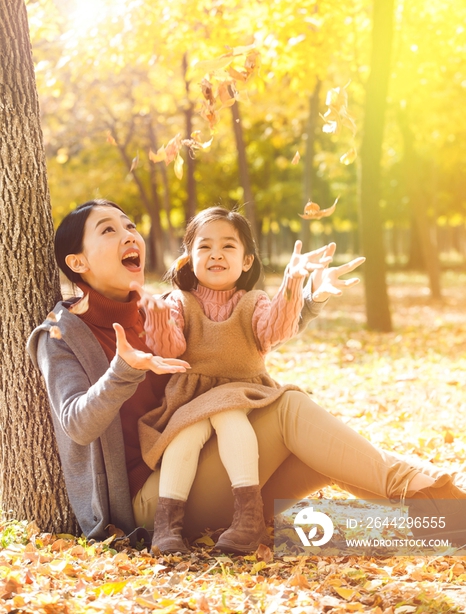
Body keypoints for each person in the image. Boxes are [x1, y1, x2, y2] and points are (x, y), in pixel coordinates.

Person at [27, 200, 466, 550]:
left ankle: (441, 519)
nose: (128, 235)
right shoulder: (61, 336)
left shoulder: (160, 308)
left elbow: (239, 336)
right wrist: (124, 369)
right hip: (153, 502)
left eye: (129, 226)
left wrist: (306, 296)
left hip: (213, 461)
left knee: (323, 452)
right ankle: (441, 497)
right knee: (290, 407)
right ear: (78, 262)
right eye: (108, 230)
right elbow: (77, 425)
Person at [137, 207, 359, 554]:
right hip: (190, 398)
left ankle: (248, 515)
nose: (216, 254)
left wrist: (293, 283)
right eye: (204, 247)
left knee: (230, 418)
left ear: (246, 261)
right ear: (188, 259)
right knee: (184, 437)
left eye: (228, 246)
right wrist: (157, 316)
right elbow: (170, 346)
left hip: (241, 393)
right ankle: (167, 525)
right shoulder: (179, 302)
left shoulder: (253, 302)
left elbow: (275, 329)